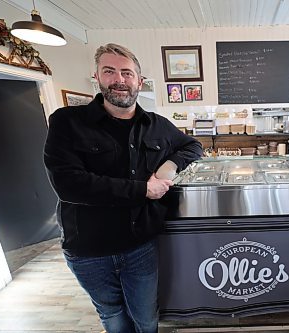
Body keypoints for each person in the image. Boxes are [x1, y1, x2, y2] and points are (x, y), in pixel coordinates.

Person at [44, 43, 202, 333]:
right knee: (112, 315)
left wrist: (170, 165)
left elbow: (193, 145)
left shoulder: (157, 124)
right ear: (97, 77)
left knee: (145, 316)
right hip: (88, 249)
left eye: (127, 73)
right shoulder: (66, 122)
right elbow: (70, 185)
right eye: (110, 71)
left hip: (139, 245)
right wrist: (143, 190)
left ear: (139, 81)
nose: (119, 79)